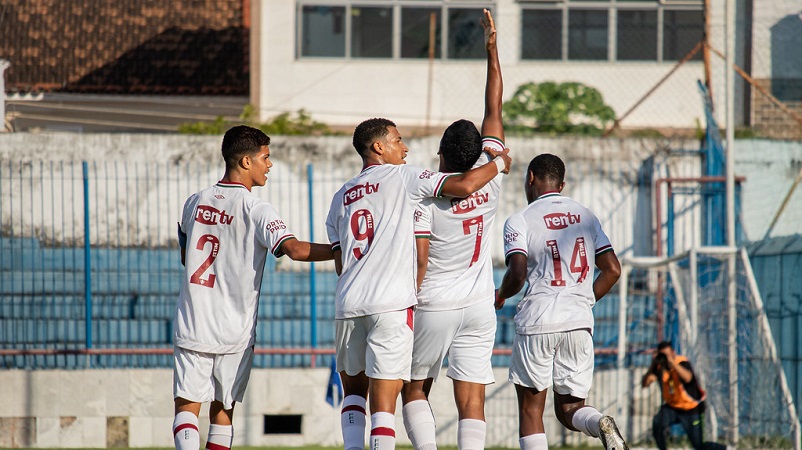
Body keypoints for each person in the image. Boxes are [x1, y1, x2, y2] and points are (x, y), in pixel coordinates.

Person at [325, 118, 511, 450]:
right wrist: (499, 163)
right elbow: (465, 185)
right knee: (385, 405)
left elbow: (341, 263)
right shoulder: (405, 178)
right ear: (379, 147)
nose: (405, 147)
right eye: (398, 140)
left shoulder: (340, 196)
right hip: (394, 304)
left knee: (354, 393)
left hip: (348, 302)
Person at [172, 125, 333, 450]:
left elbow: (185, 257)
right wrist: (341, 250)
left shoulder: (194, 202)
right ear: (246, 161)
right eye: (265, 157)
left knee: (186, 408)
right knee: (223, 411)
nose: (269, 165)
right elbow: (294, 249)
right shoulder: (257, 209)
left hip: (194, 321)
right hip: (235, 330)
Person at [400, 9, 504, 450]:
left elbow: (419, 256)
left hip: (435, 301)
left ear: (441, 150)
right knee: (472, 398)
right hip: (480, 303)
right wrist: (492, 48)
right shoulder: (492, 172)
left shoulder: (426, 190)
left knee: (414, 388)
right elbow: (494, 107)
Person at [495, 153, 627, 450]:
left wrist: (500, 295)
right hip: (579, 322)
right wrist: (582, 300)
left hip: (538, 321)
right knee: (569, 410)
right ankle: (599, 423)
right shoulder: (586, 215)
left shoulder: (520, 219)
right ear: (562, 184)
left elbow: (517, 273)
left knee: (531, 410)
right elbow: (613, 270)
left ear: (530, 177)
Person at [641, 341, 707, 450]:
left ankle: (725, 448)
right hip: (672, 407)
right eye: (663, 355)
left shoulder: (681, 362)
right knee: (657, 422)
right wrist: (653, 364)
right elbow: (645, 384)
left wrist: (672, 363)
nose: (665, 358)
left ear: (673, 353)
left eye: (667, 354)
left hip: (690, 408)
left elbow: (688, 378)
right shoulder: (659, 366)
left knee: (698, 446)